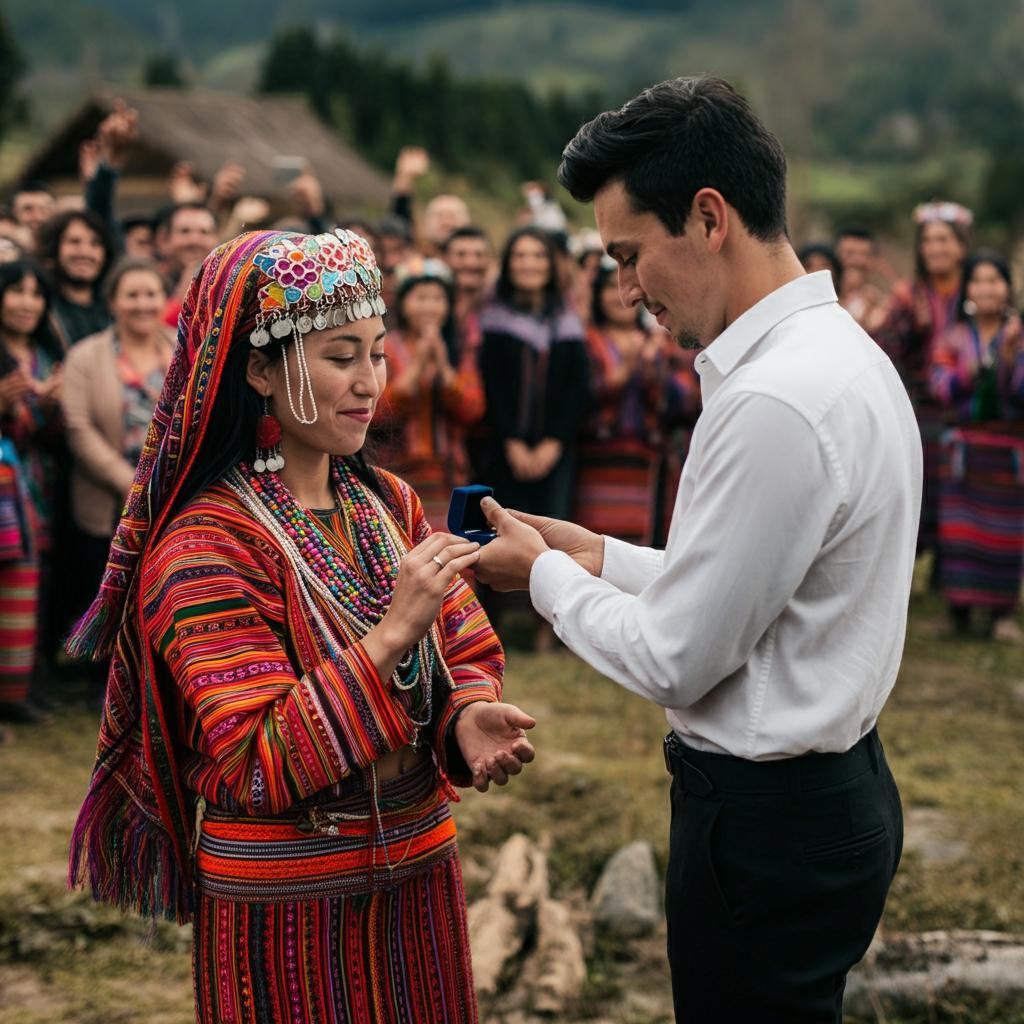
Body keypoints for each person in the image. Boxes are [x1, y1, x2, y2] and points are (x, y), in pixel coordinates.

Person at [476, 75, 919, 1023]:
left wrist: (543, 580)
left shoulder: (772, 402)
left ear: (709, 217)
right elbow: (758, 591)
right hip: (832, 793)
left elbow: (680, 654)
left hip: (767, 829)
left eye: (631, 255)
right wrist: (597, 554)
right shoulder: (837, 357)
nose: (627, 290)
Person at [67, 227, 535, 1023]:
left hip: (420, 868)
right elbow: (254, 759)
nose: (370, 385)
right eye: (340, 357)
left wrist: (465, 712)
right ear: (258, 370)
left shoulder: (390, 504)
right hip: (285, 904)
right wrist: (389, 637)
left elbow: (458, 643)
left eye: (378, 353)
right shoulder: (202, 545)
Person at [61, 258, 174, 687]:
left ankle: (154, 685)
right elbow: (78, 428)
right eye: (132, 294)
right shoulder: (85, 356)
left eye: (150, 294)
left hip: (171, 498)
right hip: (110, 500)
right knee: (110, 593)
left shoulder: (184, 349)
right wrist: (131, 484)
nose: (142, 303)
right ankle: (108, 687)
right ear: (112, 302)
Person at [478, 227, 589, 646]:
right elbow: (492, 385)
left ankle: (550, 627)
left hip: (555, 448)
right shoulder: (494, 318)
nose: (529, 264)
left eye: (537, 256)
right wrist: (511, 441)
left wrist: (553, 441)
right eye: (520, 256)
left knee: (555, 531)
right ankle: (495, 625)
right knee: (497, 529)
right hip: (504, 447)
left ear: (550, 265)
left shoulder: (568, 320)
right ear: (508, 266)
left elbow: (577, 387)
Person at [930, 250, 1024, 638]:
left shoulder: (1019, 336)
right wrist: (982, 367)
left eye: (995, 280)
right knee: (960, 534)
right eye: (979, 280)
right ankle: (959, 612)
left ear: (1007, 287)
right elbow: (941, 386)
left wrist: (1008, 359)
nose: (987, 288)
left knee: (1006, 534)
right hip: (964, 455)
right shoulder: (952, 337)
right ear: (968, 288)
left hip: (1007, 454)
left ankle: (1001, 614)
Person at [575, 257, 696, 545]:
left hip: (646, 464)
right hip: (596, 463)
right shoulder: (586, 341)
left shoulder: (662, 341)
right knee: (591, 547)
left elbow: (687, 400)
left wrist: (656, 373)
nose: (617, 296)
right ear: (597, 296)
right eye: (607, 288)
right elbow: (572, 401)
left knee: (640, 549)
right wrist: (618, 376)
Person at [874, 201, 970, 562]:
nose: (935, 248)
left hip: (965, 410)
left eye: (944, 240)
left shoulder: (977, 290)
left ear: (962, 246)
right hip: (918, 408)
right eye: (928, 240)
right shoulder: (906, 295)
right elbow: (887, 350)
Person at [372, 258, 484, 531]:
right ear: (404, 302)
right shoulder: (384, 345)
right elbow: (376, 412)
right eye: (421, 297)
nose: (430, 306)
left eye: (437, 299)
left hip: (448, 474)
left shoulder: (458, 348)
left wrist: (445, 369)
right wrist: (419, 365)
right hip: (396, 471)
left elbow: (474, 408)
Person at [0, 261, 65, 722]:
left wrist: (49, 408)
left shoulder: (47, 352)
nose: (27, 303)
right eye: (16, 291)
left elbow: (52, 431)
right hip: (6, 487)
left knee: (33, 587)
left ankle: (21, 686)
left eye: (36, 294)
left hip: (40, 485)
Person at [36, 209, 115, 346]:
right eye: (74, 242)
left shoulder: (114, 309)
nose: (85, 252)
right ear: (54, 249)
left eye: (95, 244)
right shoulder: (41, 310)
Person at [154, 202, 219, 330]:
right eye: (185, 231)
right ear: (164, 241)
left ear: (216, 241)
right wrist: (181, 300)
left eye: (204, 232)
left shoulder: (230, 284)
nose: (194, 240)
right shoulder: (147, 281)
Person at [834, 226, 889, 332]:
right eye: (849, 253)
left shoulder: (882, 305)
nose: (857, 261)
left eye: (864, 254)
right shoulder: (823, 301)